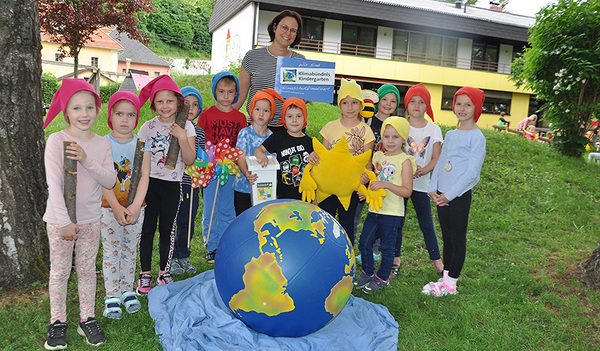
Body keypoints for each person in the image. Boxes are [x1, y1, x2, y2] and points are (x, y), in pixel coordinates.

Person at [42, 79, 115, 348]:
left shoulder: (101, 143)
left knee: (86, 271)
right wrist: (63, 222)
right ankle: (57, 322)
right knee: (59, 272)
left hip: (90, 220)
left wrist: (86, 159)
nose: (84, 114)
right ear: (66, 113)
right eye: (76, 108)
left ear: (97, 109)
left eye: (89, 107)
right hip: (60, 222)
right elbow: (54, 183)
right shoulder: (56, 140)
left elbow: (109, 180)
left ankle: (87, 319)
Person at [422, 86, 486, 297]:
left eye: (468, 104)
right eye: (459, 103)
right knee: (447, 238)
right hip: (441, 194)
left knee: (457, 239)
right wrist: (433, 189)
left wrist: (449, 195)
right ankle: (445, 278)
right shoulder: (450, 134)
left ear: (476, 108)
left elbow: (472, 174)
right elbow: (440, 161)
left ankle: (451, 284)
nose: (462, 108)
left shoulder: (477, 138)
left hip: (458, 197)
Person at [137, 75, 197, 293]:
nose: (165, 106)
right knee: (147, 229)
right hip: (149, 184)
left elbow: (189, 159)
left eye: (169, 101)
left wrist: (181, 136)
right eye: (160, 101)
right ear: (153, 104)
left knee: (167, 229)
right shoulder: (147, 127)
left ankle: (164, 271)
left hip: (172, 185)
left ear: (179, 103)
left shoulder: (187, 127)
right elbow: (138, 159)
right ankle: (144, 274)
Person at [100, 91, 150, 319]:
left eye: (130, 115)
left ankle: (126, 290)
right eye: (119, 113)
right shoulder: (101, 144)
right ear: (110, 115)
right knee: (112, 251)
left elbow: (144, 176)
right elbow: (101, 180)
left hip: (135, 209)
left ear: (136, 118)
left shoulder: (142, 144)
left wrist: (137, 205)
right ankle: (111, 295)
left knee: (130, 249)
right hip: (108, 208)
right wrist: (117, 207)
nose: (124, 119)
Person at [354, 117, 416, 293]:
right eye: (386, 136)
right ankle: (367, 273)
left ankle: (382, 279)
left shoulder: (405, 160)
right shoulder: (378, 156)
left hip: (392, 213)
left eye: (395, 137)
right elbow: (374, 179)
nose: (390, 141)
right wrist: (366, 188)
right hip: (374, 209)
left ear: (403, 139)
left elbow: (407, 191)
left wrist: (386, 184)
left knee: (387, 248)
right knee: (365, 243)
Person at [313, 78, 375, 245]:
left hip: (350, 187)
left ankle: (347, 259)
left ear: (361, 104)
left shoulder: (366, 131)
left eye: (354, 102)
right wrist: (316, 189)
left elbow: (367, 163)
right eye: (345, 102)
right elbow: (322, 161)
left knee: (347, 224)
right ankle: (324, 254)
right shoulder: (330, 127)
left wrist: (365, 182)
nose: (349, 107)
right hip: (328, 186)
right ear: (339, 104)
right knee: (325, 222)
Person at [197, 71, 247, 263]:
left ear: (236, 94)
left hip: (230, 170)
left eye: (230, 92)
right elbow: (201, 142)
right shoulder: (207, 115)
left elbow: (240, 145)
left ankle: (225, 246)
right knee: (211, 208)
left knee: (227, 209)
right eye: (221, 92)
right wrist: (208, 161)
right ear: (214, 92)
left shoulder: (240, 118)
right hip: (211, 170)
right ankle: (211, 246)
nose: (226, 96)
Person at [395, 83, 444, 277]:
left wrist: (424, 170)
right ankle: (395, 260)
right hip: (400, 183)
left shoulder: (434, 129)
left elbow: (436, 158)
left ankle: (438, 262)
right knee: (397, 221)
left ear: (427, 106)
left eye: (422, 102)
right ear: (406, 104)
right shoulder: (401, 125)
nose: (417, 105)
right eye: (412, 101)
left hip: (422, 184)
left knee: (427, 223)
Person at [234, 9, 305, 131]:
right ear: (274, 27)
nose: (288, 33)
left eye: (293, 30)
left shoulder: (301, 61)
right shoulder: (252, 57)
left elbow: (302, 97)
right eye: (284, 27)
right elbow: (241, 95)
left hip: (289, 129)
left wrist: (306, 97)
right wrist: (222, 115)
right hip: (257, 127)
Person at [171, 86, 206, 275]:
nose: (190, 108)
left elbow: (199, 156)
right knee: (172, 219)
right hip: (172, 181)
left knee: (188, 220)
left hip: (191, 182)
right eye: (186, 104)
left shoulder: (199, 131)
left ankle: (182, 256)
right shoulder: (172, 128)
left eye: (195, 105)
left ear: (199, 109)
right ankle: (170, 257)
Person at [233, 89, 283, 214]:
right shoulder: (244, 133)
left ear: (271, 115)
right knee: (243, 222)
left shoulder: (273, 137)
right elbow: (240, 157)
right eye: (257, 109)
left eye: (266, 111)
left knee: (262, 223)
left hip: (264, 192)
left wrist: (275, 191)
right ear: (251, 112)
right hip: (243, 188)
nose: (261, 114)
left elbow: (274, 166)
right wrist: (246, 172)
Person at [254, 97, 313, 199]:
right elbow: (258, 150)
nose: (294, 120)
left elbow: (317, 172)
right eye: (290, 116)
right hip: (282, 196)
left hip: (305, 197)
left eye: (299, 116)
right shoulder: (278, 137)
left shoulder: (311, 142)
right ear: (284, 119)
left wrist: (315, 198)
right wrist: (262, 156)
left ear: (305, 119)